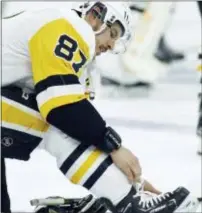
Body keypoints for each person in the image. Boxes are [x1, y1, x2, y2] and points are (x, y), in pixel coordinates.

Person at [1, 1, 200, 213]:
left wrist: (136, 184)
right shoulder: (68, 26)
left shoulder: (68, 40)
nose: (112, 46)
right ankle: (128, 205)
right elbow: (62, 110)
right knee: (55, 130)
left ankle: (126, 197)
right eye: (113, 34)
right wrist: (115, 149)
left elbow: (81, 126)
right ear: (95, 17)